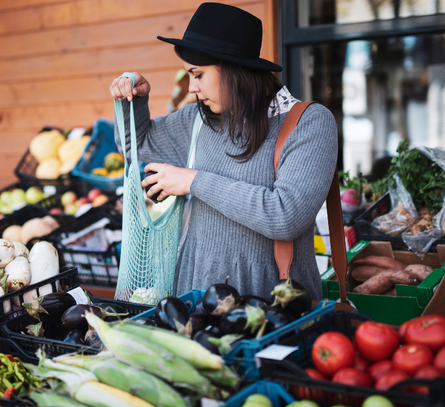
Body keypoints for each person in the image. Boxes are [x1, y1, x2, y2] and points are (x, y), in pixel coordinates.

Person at [110, 2, 338, 300]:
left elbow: (287, 216)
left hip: (270, 311)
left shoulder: (309, 122)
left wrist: (193, 181)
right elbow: (135, 145)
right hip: (191, 305)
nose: (191, 87)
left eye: (198, 74)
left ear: (233, 70)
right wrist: (134, 100)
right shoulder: (198, 120)